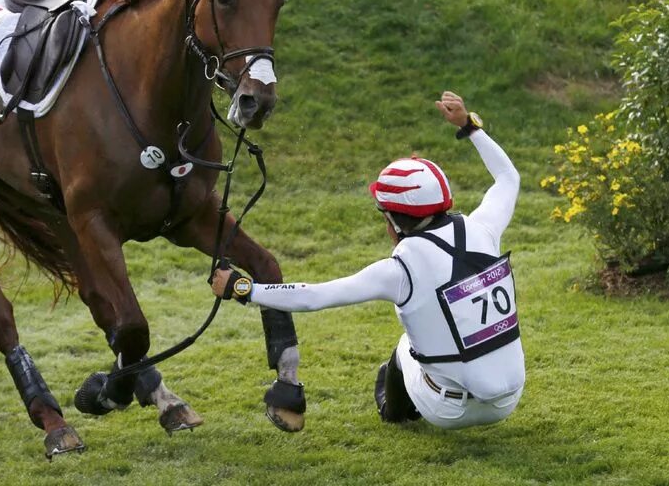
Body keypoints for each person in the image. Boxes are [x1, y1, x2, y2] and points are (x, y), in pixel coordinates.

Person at [211, 91, 524, 429]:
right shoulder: (483, 228)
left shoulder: (399, 270)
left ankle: (393, 410)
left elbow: (313, 296)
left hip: (449, 412)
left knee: (406, 347)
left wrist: (243, 288)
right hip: (509, 402)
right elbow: (509, 178)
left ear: (391, 219)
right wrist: (469, 126)